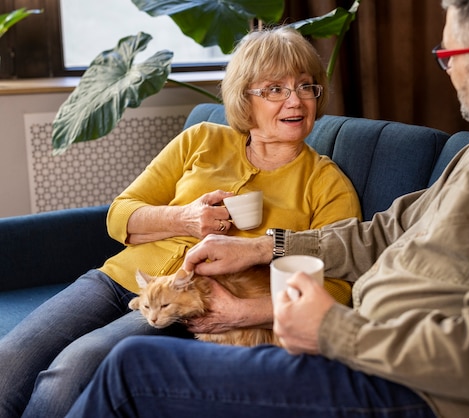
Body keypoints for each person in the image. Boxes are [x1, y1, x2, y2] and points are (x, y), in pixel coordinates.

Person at [66, 0, 469, 417]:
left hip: (416, 394)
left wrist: (334, 330)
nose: (448, 71)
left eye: (448, 56)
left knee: (127, 371)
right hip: (379, 357)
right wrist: (263, 247)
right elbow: (384, 230)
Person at [0, 26, 361, 418]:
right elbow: (120, 215)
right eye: (275, 89)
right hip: (119, 279)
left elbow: (339, 287)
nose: (296, 100)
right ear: (245, 98)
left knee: (76, 368)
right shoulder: (201, 139)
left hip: (190, 306)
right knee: (10, 361)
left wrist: (243, 310)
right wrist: (187, 219)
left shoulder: (326, 183)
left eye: (306, 86)